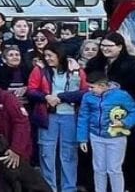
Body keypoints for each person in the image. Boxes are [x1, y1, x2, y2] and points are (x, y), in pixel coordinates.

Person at [28, 42, 87, 192]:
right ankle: (49, 188)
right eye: (45, 55)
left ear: (59, 55)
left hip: (69, 116)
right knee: (46, 153)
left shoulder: (76, 69)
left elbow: (84, 92)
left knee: (69, 153)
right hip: (48, 116)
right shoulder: (39, 70)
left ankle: (69, 188)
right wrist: (46, 97)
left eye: (50, 55)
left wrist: (61, 97)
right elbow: (31, 91)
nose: (47, 58)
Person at [79, 69, 135, 192]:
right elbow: (83, 116)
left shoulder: (121, 95)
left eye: (91, 87)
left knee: (114, 169)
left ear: (102, 85)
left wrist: (124, 123)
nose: (89, 90)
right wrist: (82, 138)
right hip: (96, 136)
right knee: (99, 168)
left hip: (117, 137)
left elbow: (134, 111)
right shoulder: (88, 97)